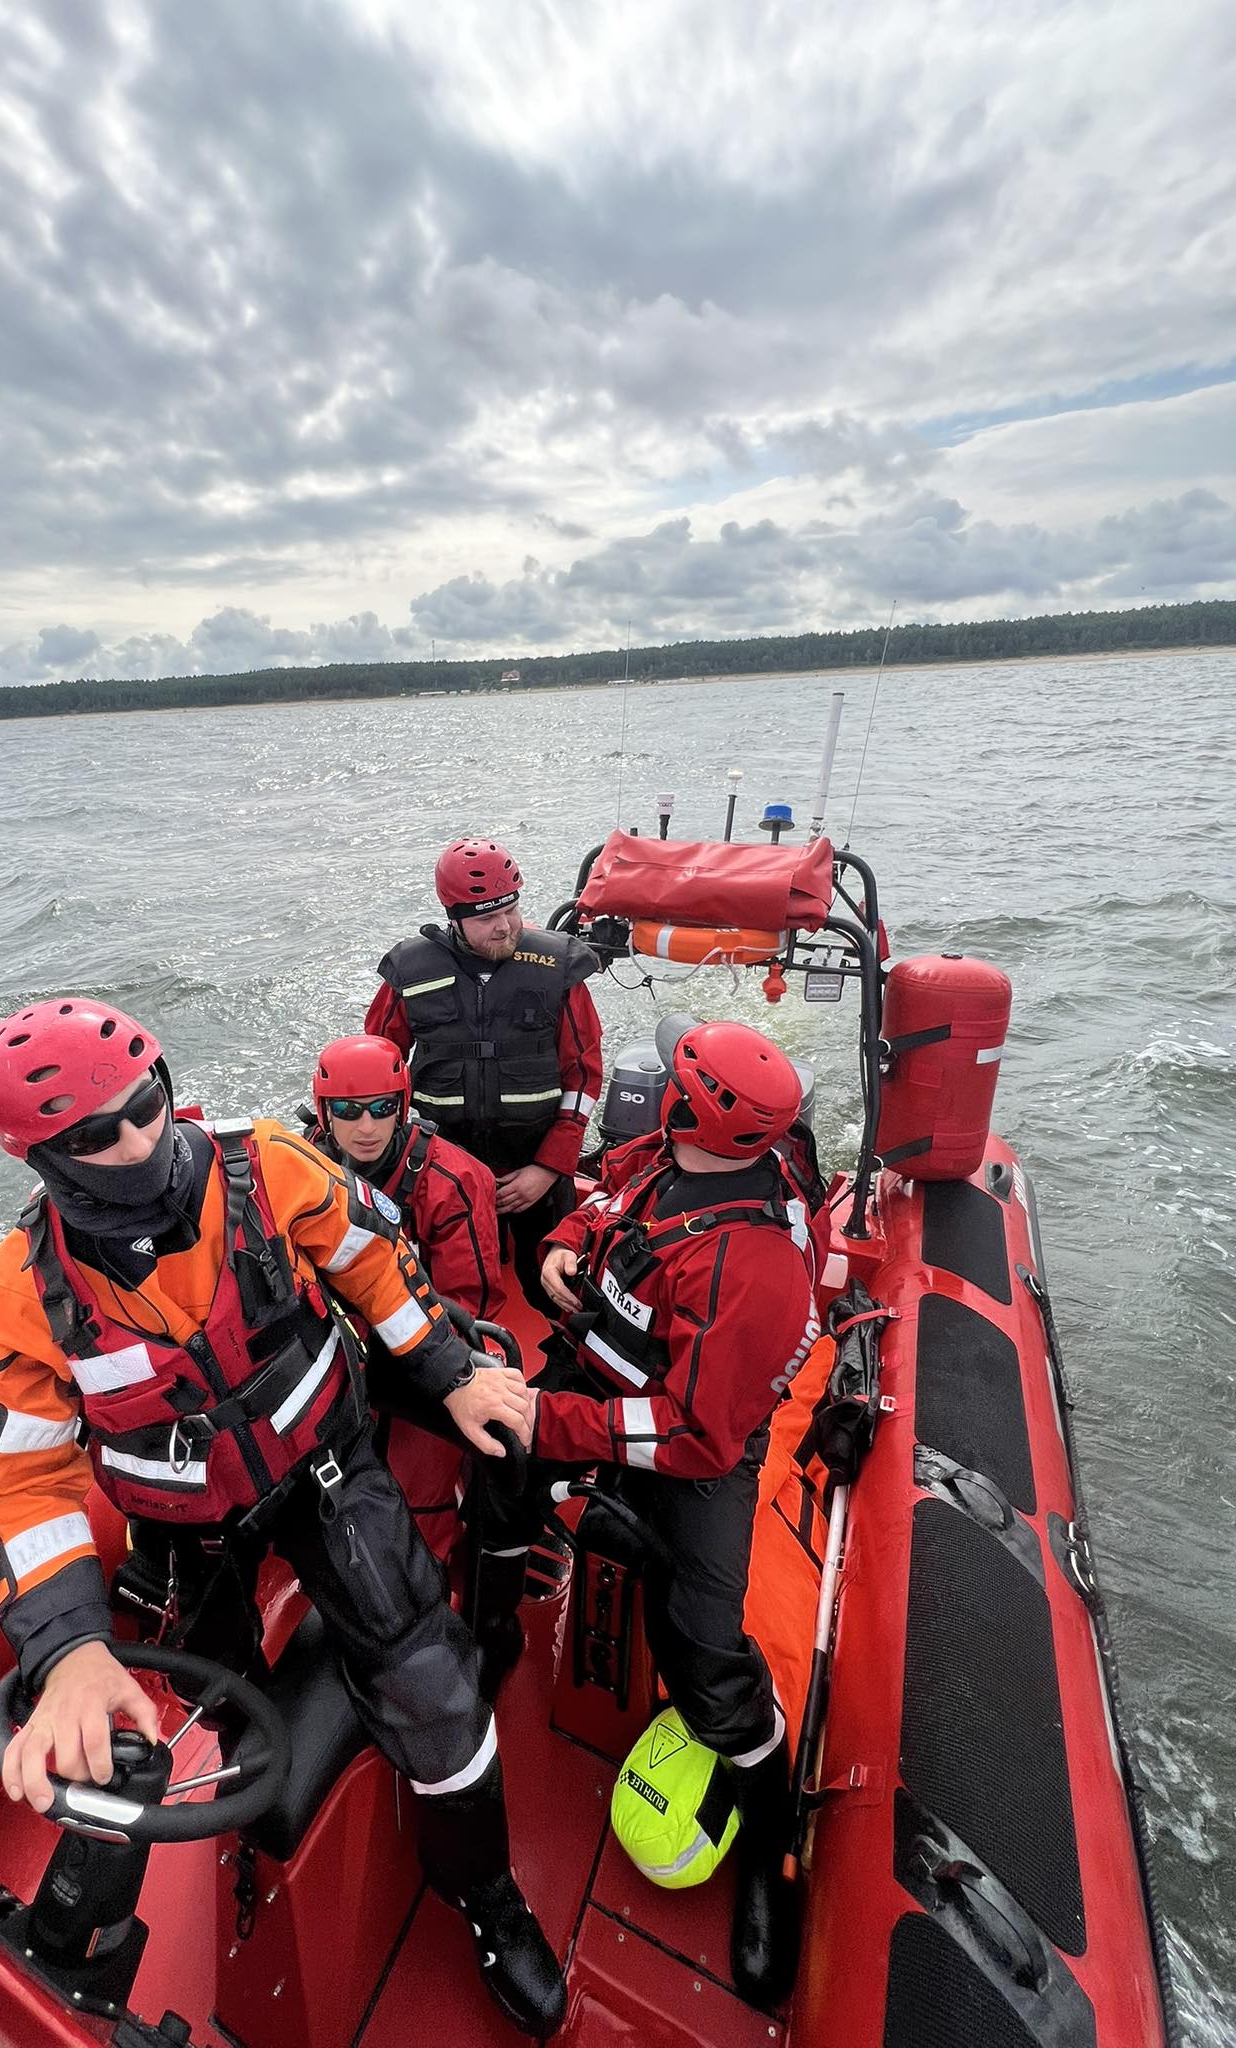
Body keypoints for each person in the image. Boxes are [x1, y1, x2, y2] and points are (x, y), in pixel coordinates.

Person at [0, 997, 566, 2037]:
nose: (140, 1141)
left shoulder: (268, 1165)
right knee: (221, 1703)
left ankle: (488, 1896)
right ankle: (250, 1839)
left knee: (433, 1684)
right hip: (187, 1533)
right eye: (96, 1135)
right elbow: (13, 1484)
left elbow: (371, 1260)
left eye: (147, 1105)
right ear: (36, 1155)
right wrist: (70, 1651)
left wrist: (450, 1371)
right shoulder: (25, 1294)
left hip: (328, 1472)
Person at [485, 1019, 822, 2007]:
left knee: (701, 1646)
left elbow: (697, 1436)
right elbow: (607, 1190)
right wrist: (565, 1241)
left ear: (691, 1105)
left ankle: (770, 1838)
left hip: (691, 1447)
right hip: (602, 1373)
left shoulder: (754, 1265)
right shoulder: (662, 1155)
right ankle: (494, 1625)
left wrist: (556, 1421)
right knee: (498, 1468)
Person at [366, 836, 603, 1311]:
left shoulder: (557, 970)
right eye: (486, 918)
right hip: (441, 1174)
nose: (504, 927)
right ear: (453, 917)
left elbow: (583, 1078)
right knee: (444, 1293)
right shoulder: (409, 971)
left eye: (511, 910)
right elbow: (376, 1067)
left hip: (534, 1170)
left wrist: (548, 1168)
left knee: (555, 1293)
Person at [309, 1033, 506, 1566]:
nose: (366, 1127)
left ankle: (427, 1570)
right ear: (324, 1113)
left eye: (381, 1108)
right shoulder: (303, 1171)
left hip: (425, 1350)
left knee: (416, 1484)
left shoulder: (451, 1181)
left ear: (402, 1105)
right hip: (334, 1346)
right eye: (348, 1110)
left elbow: (470, 1305)